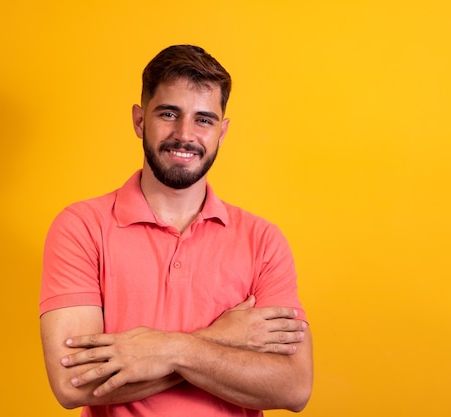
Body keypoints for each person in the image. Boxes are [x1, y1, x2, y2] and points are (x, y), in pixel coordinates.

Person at [39, 44, 313, 417]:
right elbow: (75, 383)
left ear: (222, 131)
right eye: (169, 113)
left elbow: (293, 386)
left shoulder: (263, 240)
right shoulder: (81, 227)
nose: (185, 135)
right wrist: (223, 338)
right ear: (139, 120)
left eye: (204, 120)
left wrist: (170, 350)